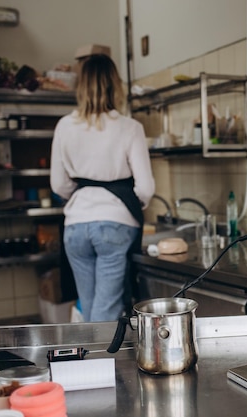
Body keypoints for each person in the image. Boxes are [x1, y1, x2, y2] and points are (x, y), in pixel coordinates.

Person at [50, 54, 155, 322]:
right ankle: (101, 363)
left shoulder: (64, 126)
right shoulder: (130, 127)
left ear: (81, 87)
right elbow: (145, 188)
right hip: (115, 224)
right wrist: (123, 204)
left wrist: (84, 198)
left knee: (89, 305)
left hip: (75, 225)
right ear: (115, 85)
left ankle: (89, 361)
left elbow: (59, 185)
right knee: (106, 310)